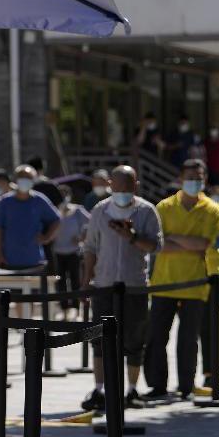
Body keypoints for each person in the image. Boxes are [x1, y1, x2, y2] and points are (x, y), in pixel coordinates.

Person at [144, 159, 219, 401]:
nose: (194, 181)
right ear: (180, 179)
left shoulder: (214, 210)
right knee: (156, 337)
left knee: (189, 340)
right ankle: (157, 386)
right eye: (190, 177)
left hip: (197, 283)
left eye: (198, 177)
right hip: (164, 282)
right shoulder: (163, 207)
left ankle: (186, 386)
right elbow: (158, 245)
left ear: (205, 179)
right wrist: (194, 244)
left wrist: (175, 239)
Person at [81, 165, 163, 410]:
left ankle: (131, 389)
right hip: (104, 284)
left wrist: (132, 236)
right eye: (118, 187)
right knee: (99, 339)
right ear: (111, 186)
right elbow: (90, 247)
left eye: (128, 187)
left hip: (134, 285)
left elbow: (156, 246)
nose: (122, 192)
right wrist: (86, 281)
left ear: (135, 186)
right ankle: (99, 389)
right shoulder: (100, 210)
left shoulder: (146, 211)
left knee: (135, 339)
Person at [0, 165, 61, 269]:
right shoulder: (5, 202)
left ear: (33, 180)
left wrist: (46, 237)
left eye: (28, 178)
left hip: (34, 259)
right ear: (16, 179)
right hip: (9, 260)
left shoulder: (39, 201)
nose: (24, 180)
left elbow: (56, 220)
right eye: (21, 177)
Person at [53, 185, 90, 321]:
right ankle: (63, 309)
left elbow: (92, 222)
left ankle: (76, 309)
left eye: (65, 194)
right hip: (57, 252)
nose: (63, 197)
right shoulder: (53, 210)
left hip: (74, 252)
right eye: (61, 194)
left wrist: (82, 237)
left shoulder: (78, 210)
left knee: (75, 280)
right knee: (60, 282)